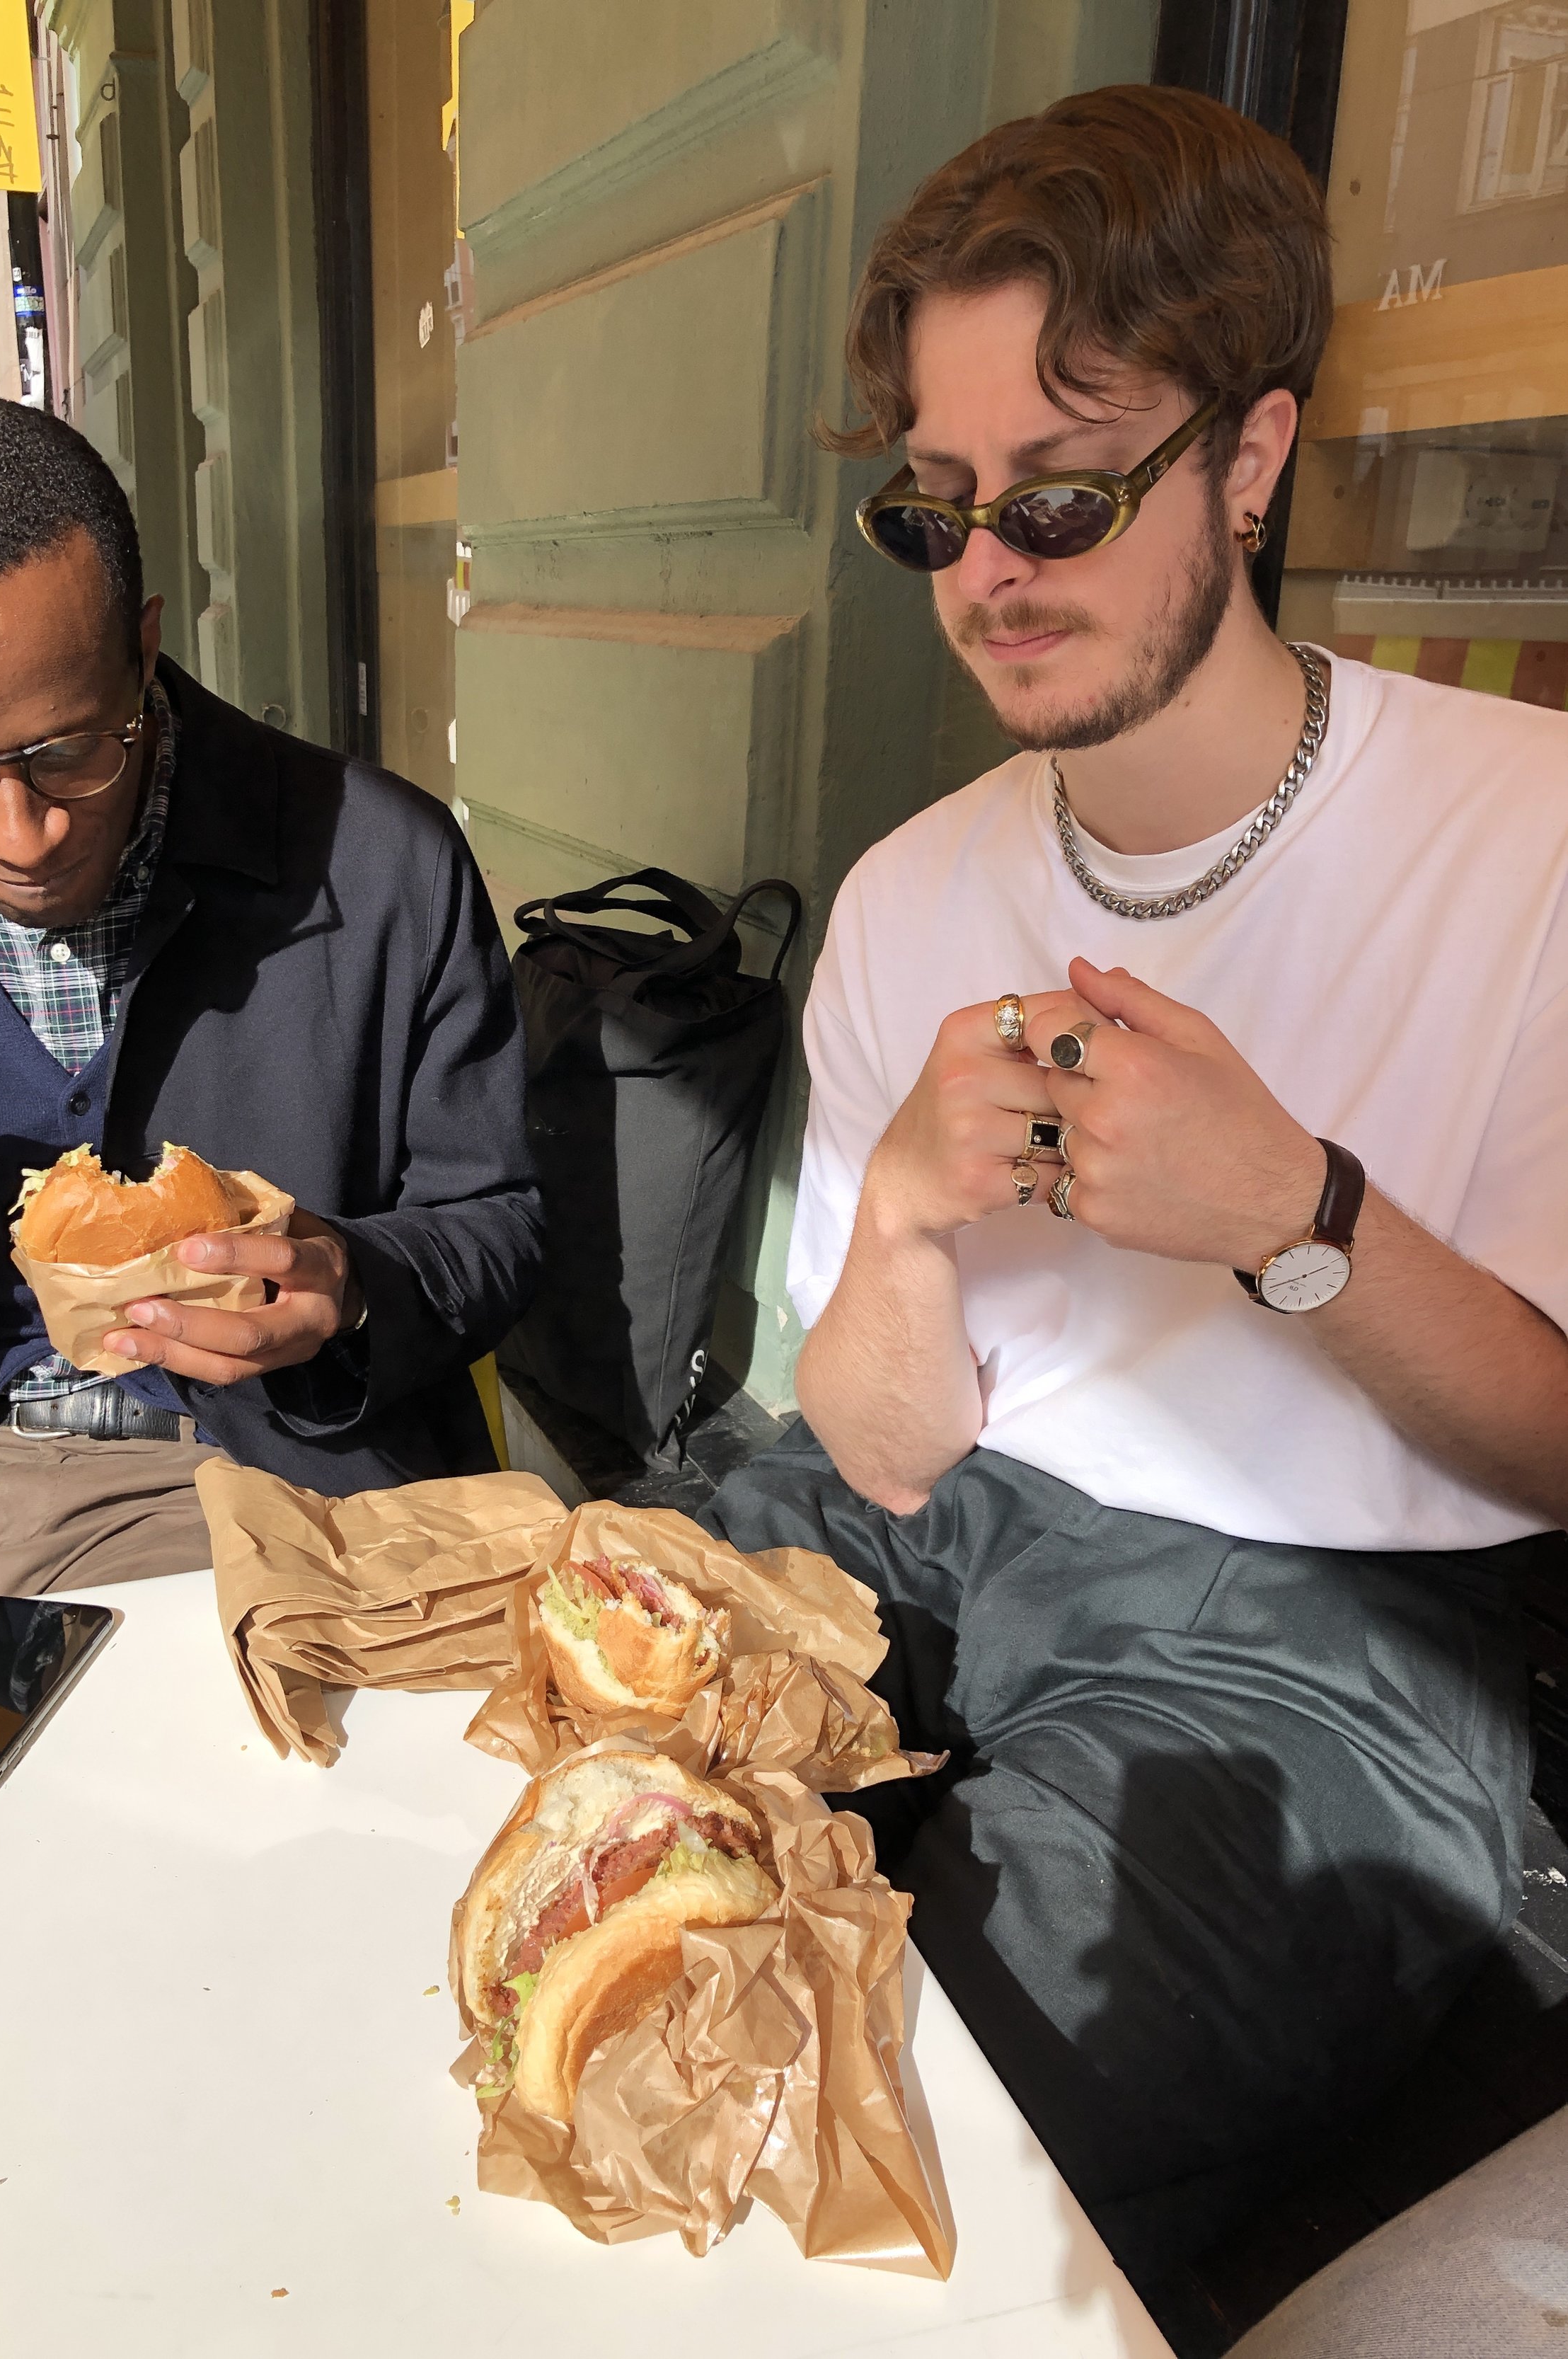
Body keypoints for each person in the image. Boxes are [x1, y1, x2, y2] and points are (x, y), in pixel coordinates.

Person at [703, 85, 1568, 2282]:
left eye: (1065, 502)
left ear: (1252, 457)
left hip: (1319, 1624)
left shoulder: (1528, 838)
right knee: (518, 1748)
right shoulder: (914, 889)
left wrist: (1299, 1217)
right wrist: (896, 1212)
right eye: (937, 511)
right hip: (925, 1511)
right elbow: (878, 1446)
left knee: (884, 2097)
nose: (990, 574)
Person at [0, 395, 540, 1626]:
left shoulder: (378, 864)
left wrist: (349, 1284)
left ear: (144, 647)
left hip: (260, 1489)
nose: (21, 833)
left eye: (72, 749)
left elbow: (498, 1221)